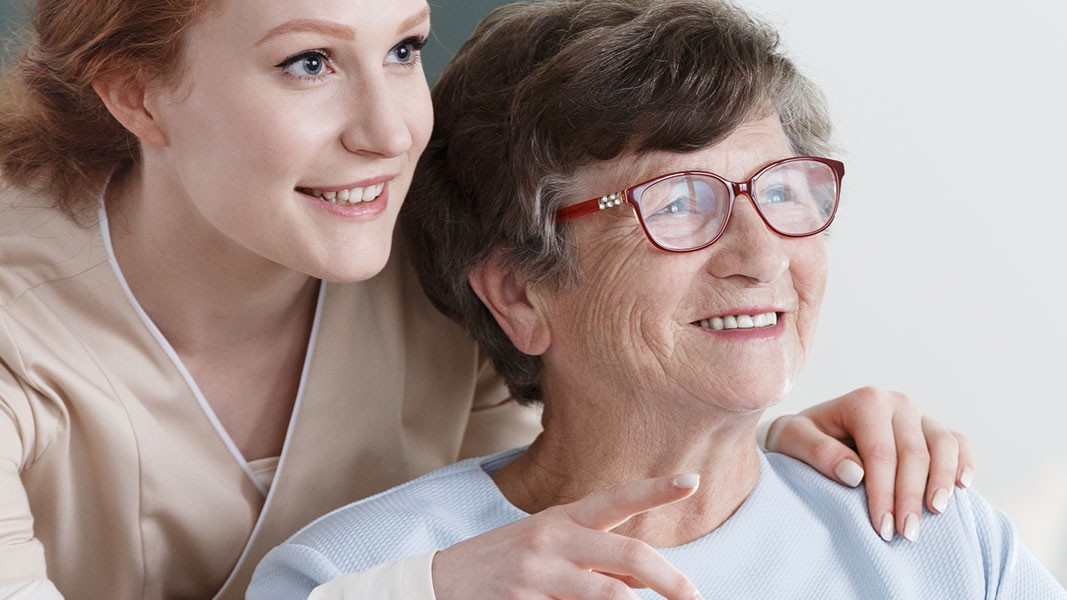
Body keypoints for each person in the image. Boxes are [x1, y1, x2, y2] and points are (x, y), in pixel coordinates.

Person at [0, 0, 974, 598]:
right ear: (135, 94)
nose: (390, 132)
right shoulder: (23, 340)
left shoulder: (416, 251)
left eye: (404, 47)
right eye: (308, 62)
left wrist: (760, 453)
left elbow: (552, 484)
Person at [247, 0, 1067, 598]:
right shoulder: (362, 575)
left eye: (781, 191)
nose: (760, 256)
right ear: (518, 292)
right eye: (678, 203)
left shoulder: (933, 534)